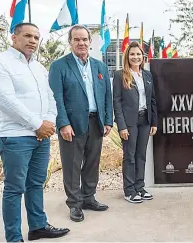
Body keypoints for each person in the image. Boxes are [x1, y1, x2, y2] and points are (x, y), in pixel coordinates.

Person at [0, 22, 69, 242]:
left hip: (40, 135)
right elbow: (6, 100)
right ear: (14, 37)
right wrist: (37, 124)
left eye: (36, 37)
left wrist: (48, 122)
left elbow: (50, 98)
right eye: (28, 36)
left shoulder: (38, 67)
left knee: (36, 183)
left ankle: (38, 226)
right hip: (14, 137)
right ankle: (13, 237)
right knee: (14, 188)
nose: (32, 41)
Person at [49, 25, 113, 222]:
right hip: (72, 125)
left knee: (92, 163)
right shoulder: (59, 66)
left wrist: (108, 120)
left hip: (96, 123)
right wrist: (62, 124)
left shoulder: (100, 66)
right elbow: (56, 98)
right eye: (77, 39)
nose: (81, 43)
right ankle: (74, 204)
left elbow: (107, 96)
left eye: (84, 39)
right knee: (72, 166)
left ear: (90, 42)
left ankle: (88, 197)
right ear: (70, 42)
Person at [112, 41, 158, 203]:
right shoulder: (120, 75)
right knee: (129, 156)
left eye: (138, 54)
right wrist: (121, 126)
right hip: (130, 122)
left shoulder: (147, 75)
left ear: (142, 56)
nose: (135, 57)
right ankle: (129, 190)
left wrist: (154, 122)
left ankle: (140, 186)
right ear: (127, 56)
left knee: (141, 155)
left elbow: (152, 99)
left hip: (145, 120)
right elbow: (116, 102)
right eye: (132, 54)